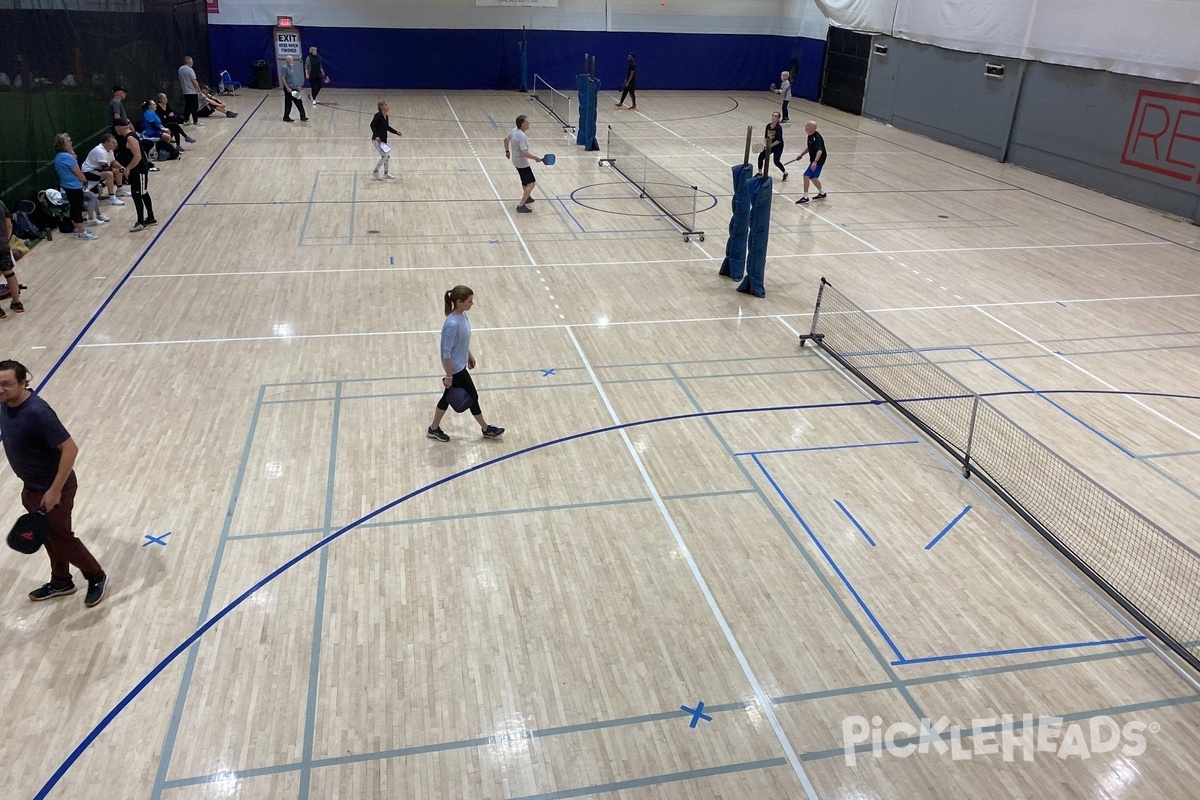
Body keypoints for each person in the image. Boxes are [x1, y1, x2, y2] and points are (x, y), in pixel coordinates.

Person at [0, 360, 108, 607]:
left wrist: (55, 490)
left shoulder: (37, 412)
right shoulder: (6, 404)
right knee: (47, 535)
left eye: (6, 384)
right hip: (31, 486)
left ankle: (96, 575)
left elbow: (70, 449)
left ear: (23, 382)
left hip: (53, 488)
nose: (0, 389)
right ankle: (61, 582)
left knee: (61, 537)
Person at [427, 286, 504, 442]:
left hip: (459, 364)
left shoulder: (462, 316)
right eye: (469, 301)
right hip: (455, 368)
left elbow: (461, 341)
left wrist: (468, 354)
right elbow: (446, 352)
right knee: (472, 396)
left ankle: (434, 428)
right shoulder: (452, 324)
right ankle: (486, 429)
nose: (472, 304)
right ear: (459, 302)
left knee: (447, 397)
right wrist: (449, 375)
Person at [114, 118, 157, 231]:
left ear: (118, 127)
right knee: (142, 193)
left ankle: (141, 221)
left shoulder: (130, 138)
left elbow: (137, 157)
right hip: (137, 171)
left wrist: (128, 169)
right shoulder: (129, 136)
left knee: (138, 194)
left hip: (139, 171)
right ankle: (150, 217)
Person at [52, 133, 96, 241]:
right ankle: (81, 233)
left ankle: (77, 229)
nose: (71, 143)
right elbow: (77, 172)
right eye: (68, 141)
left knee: (73, 208)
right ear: (63, 144)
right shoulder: (67, 157)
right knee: (77, 209)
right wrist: (84, 180)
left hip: (66, 185)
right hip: (74, 186)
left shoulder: (59, 156)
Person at [504, 115, 544, 213]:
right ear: (522, 124)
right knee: (532, 183)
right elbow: (524, 152)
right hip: (522, 162)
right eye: (527, 122)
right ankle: (521, 205)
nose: (528, 123)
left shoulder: (514, 131)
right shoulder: (521, 136)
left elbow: (505, 140)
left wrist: (507, 152)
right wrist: (535, 158)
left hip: (515, 160)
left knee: (525, 180)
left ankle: (528, 197)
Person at [81, 134, 127, 204]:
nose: (115, 145)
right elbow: (106, 168)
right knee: (109, 174)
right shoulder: (99, 151)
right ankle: (112, 198)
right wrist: (119, 170)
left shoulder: (110, 150)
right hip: (89, 171)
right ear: (106, 142)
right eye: (113, 143)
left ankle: (119, 190)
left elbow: (113, 162)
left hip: (98, 169)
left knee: (118, 169)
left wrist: (121, 167)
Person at [792, 120, 827, 204]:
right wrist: (801, 155)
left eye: (807, 125)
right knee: (813, 177)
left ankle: (805, 197)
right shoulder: (810, 136)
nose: (805, 126)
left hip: (819, 160)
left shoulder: (817, 137)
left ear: (812, 128)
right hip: (815, 159)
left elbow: (819, 151)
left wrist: (815, 162)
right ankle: (822, 193)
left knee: (806, 175)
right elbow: (809, 148)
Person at [0, 200, 23, 319]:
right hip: (3, 245)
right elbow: (9, 225)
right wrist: (6, 241)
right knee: (9, 274)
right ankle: (16, 303)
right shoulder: (1, 203)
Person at [369, 100, 401, 179]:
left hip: (383, 140)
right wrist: (376, 135)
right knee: (384, 156)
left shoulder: (386, 116)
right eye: (386, 105)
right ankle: (375, 172)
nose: (388, 106)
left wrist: (396, 132)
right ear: (382, 107)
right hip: (377, 140)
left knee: (387, 156)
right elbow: (372, 125)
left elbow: (387, 127)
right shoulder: (378, 115)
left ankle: (386, 173)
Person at [757, 111, 788, 180]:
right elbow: (766, 137)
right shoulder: (768, 126)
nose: (773, 117)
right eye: (773, 115)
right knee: (761, 156)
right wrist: (766, 145)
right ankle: (759, 173)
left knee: (776, 161)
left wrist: (770, 146)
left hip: (778, 146)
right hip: (769, 145)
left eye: (775, 116)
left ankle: (785, 172)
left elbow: (779, 140)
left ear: (778, 119)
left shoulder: (778, 128)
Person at [280, 56, 308, 123]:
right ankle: (286, 117)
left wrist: (297, 86)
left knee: (297, 102)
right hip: (289, 88)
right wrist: (287, 88)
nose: (293, 61)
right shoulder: (284, 68)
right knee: (290, 103)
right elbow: (282, 78)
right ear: (288, 60)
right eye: (292, 60)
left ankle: (302, 116)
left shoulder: (291, 67)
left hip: (293, 87)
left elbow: (292, 79)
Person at [178, 56, 203, 126]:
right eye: (191, 62)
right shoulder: (190, 70)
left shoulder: (180, 69)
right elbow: (194, 80)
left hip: (185, 91)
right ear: (189, 62)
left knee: (187, 106)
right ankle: (195, 121)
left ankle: (186, 119)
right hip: (192, 91)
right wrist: (199, 90)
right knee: (194, 106)